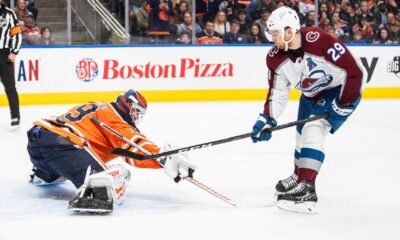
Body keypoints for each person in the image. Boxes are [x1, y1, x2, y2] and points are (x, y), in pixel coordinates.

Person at [251, 6, 366, 214]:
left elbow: (355, 72)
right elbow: (277, 91)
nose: (272, 38)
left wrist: (344, 103)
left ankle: (307, 189)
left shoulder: (319, 40)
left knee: (313, 128)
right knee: (300, 137)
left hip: (338, 90)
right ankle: (298, 176)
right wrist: (267, 119)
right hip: (310, 94)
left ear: (289, 30)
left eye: (276, 33)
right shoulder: (275, 58)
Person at [27, 89, 196, 213]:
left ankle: (44, 173)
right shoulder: (113, 116)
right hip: (64, 144)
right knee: (108, 181)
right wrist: (162, 158)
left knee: (68, 163)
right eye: (136, 111)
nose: (137, 117)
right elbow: (134, 146)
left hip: (39, 142)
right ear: (128, 105)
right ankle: (94, 196)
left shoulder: (98, 107)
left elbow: (126, 149)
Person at [0, 0, 22, 129]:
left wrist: (14, 52)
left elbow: (17, 34)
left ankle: (15, 115)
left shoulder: (9, 13)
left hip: (4, 54)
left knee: (10, 86)